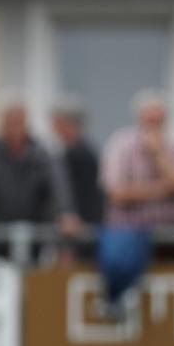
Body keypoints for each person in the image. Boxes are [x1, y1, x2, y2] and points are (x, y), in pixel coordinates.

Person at [98, 90, 174, 317]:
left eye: (159, 120)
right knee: (122, 277)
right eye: (150, 119)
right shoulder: (120, 144)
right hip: (127, 233)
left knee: (164, 300)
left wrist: (158, 154)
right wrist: (162, 188)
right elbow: (116, 193)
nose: (154, 125)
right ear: (139, 119)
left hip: (167, 238)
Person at [0, 95, 79, 264]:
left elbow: (58, 186)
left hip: (35, 235)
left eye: (18, 121)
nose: (14, 128)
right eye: (9, 122)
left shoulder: (41, 152)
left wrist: (65, 214)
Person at [51, 96, 103, 262]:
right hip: (79, 231)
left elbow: (86, 196)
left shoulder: (80, 154)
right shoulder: (71, 151)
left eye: (57, 122)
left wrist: (73, 230)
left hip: (80, 233)